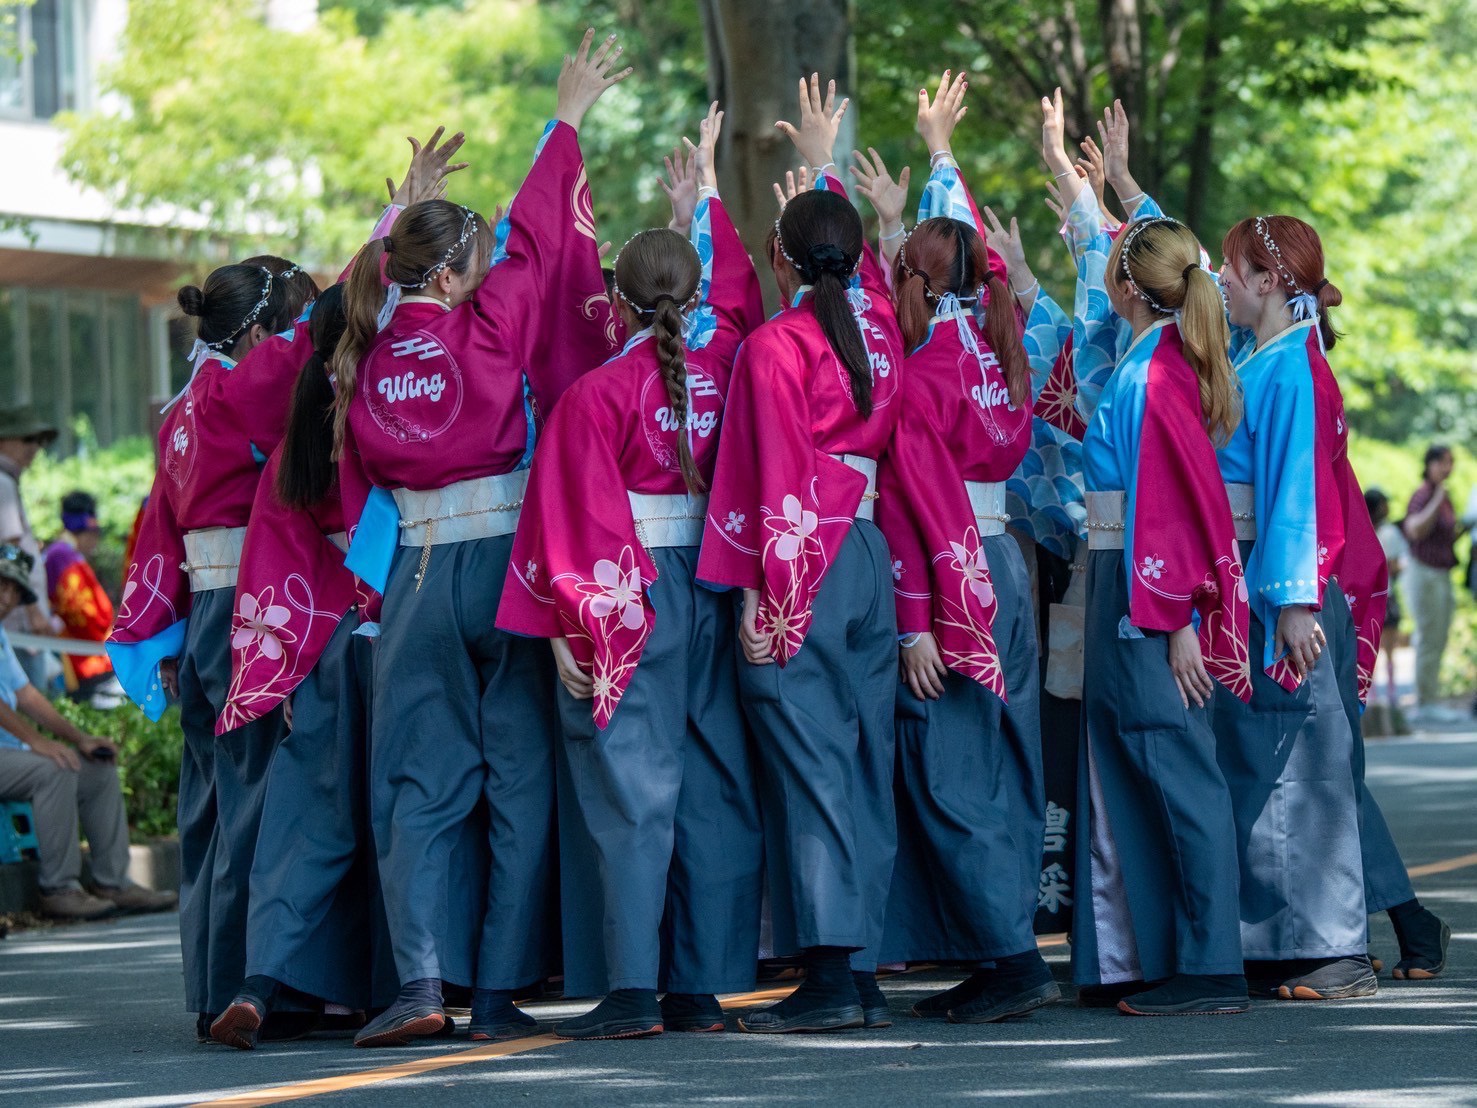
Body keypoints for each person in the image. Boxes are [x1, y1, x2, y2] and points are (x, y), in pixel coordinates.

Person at [332, 31, 628, 1048]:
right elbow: (541, 244)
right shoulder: (491, 320)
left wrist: (400, 209)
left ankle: (419, 983)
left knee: (420, 781)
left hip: (412, 577)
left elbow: (357, 286)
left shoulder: (361, 350)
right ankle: (499, 987)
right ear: (463, 271)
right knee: (518, 775)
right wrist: (567, 117)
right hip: (508, 569)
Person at [107, 133, 432, 1040]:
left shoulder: (177, 410)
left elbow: (155, 529)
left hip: (207, 606)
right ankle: (273, 983)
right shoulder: (251, 382)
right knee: (277, 799)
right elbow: (335, 312)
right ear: (256, 332)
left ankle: (218, 986)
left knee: (211, 804)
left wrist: (159, 636)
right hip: (270, 597)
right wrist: (396, 220)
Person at [498, 103, 766, 1041]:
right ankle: (701, 983)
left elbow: (575, 519)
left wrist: (576, 627)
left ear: (612, 300)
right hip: (718, 580)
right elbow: (736, 294)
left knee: (628, 785)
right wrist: (705, 204)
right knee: (711, 780)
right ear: (692, 297)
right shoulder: (734, 366)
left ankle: (630, 989)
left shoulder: (595, 392)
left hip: (633, 589)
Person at [696, 74, 904, 1035]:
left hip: (806, 559)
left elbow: (773, 472)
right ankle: (855, 964)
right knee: (858, 762)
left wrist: (764, 594)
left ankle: (825, 974)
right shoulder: (879, 329)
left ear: (779, 260)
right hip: (864, 552)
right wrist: (821, 168)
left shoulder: (777, 344)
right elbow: (844, 259)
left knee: (811, 762)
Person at [853, 72, 1057, 1025]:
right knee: (1003, 759)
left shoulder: (923, 369)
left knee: (946, 764)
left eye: (901, 258)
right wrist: (938, 157)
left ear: (920, 278)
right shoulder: (996, 350)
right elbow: (955, 243)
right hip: (1005, 560)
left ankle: (1007, 956)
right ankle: (1001, 941)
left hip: (952, 576)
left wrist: (912, 623)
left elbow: (906, 505)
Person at [1066, 205, 1254, 1015]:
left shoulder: (1152, 374)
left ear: (1125, 287)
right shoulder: (1165, 360)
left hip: (1145, 590)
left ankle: (1209, 964)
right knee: (1152, 766)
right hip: (1133, 578)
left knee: (1174, 767)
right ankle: (1167, 951)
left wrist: (1174, 620)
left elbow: (1168, 504)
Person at [207, 284, 396, 1049]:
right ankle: (389, 988)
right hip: (390, 634)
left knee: (307, 824)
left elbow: (272, 560)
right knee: (397, 816)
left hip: (314, 644)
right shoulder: (389, 416)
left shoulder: (293, 444)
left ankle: (260, 984)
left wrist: (271, 672)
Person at [1212, 213, 1382, 1001]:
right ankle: (1293, 944)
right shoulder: (1275, 358)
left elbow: (1297, 493)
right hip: (1269, 574)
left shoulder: (1287, 369)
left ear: (1269, 279)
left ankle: (1332, 949)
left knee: (1300, 764)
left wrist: (1293, 599)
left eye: (1230, 267)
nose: (1219, 280)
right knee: (1275, 757)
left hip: (1283, 582)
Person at [0, 544, 176, 919]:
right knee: (54, 770)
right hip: (8, 754)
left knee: (97, 767)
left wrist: (80, 740)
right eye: (2, 585)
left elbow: (27, 695)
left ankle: (114, 881)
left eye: (14, 590)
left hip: (11, 751)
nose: (7, 597)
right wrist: (39, 743)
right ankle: (58, 889)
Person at [1402, 444, 1468, 720]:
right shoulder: (1424, 494)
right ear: (1429, 464)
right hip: (1424, 573)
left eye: (1450, 463)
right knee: (1429, 636)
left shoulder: (1444, 498)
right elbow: (1414, 529)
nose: (1447, 468)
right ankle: (1425, 702)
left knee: (1438, 637)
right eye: (1442, 462)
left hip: (1440, 573)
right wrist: (1437, 497)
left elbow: (1443, 538)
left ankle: (1430, 698)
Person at [44, 492, 126, 709]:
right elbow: (81, 610)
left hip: (82, 646)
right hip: (79, 651)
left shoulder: (64, 553)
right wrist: (106, 628)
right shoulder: (62, 555)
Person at [0, 405, 60, 690]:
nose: (35, 447)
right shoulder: (2, 483)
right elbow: (10, 556)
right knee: (29, 703)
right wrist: (33, 610)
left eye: (39, 441)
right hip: (18, 621)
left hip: (15, 618)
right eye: (27, 439)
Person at [1365, 487, 1406, 715]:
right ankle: (1391, 693)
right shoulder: (1389, 533)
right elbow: (1395, 564)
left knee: (1370, 647)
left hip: (1367, 596)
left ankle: (1372, 692)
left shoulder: (1361, 530)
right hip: (1387, 595)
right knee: (1389, 648)